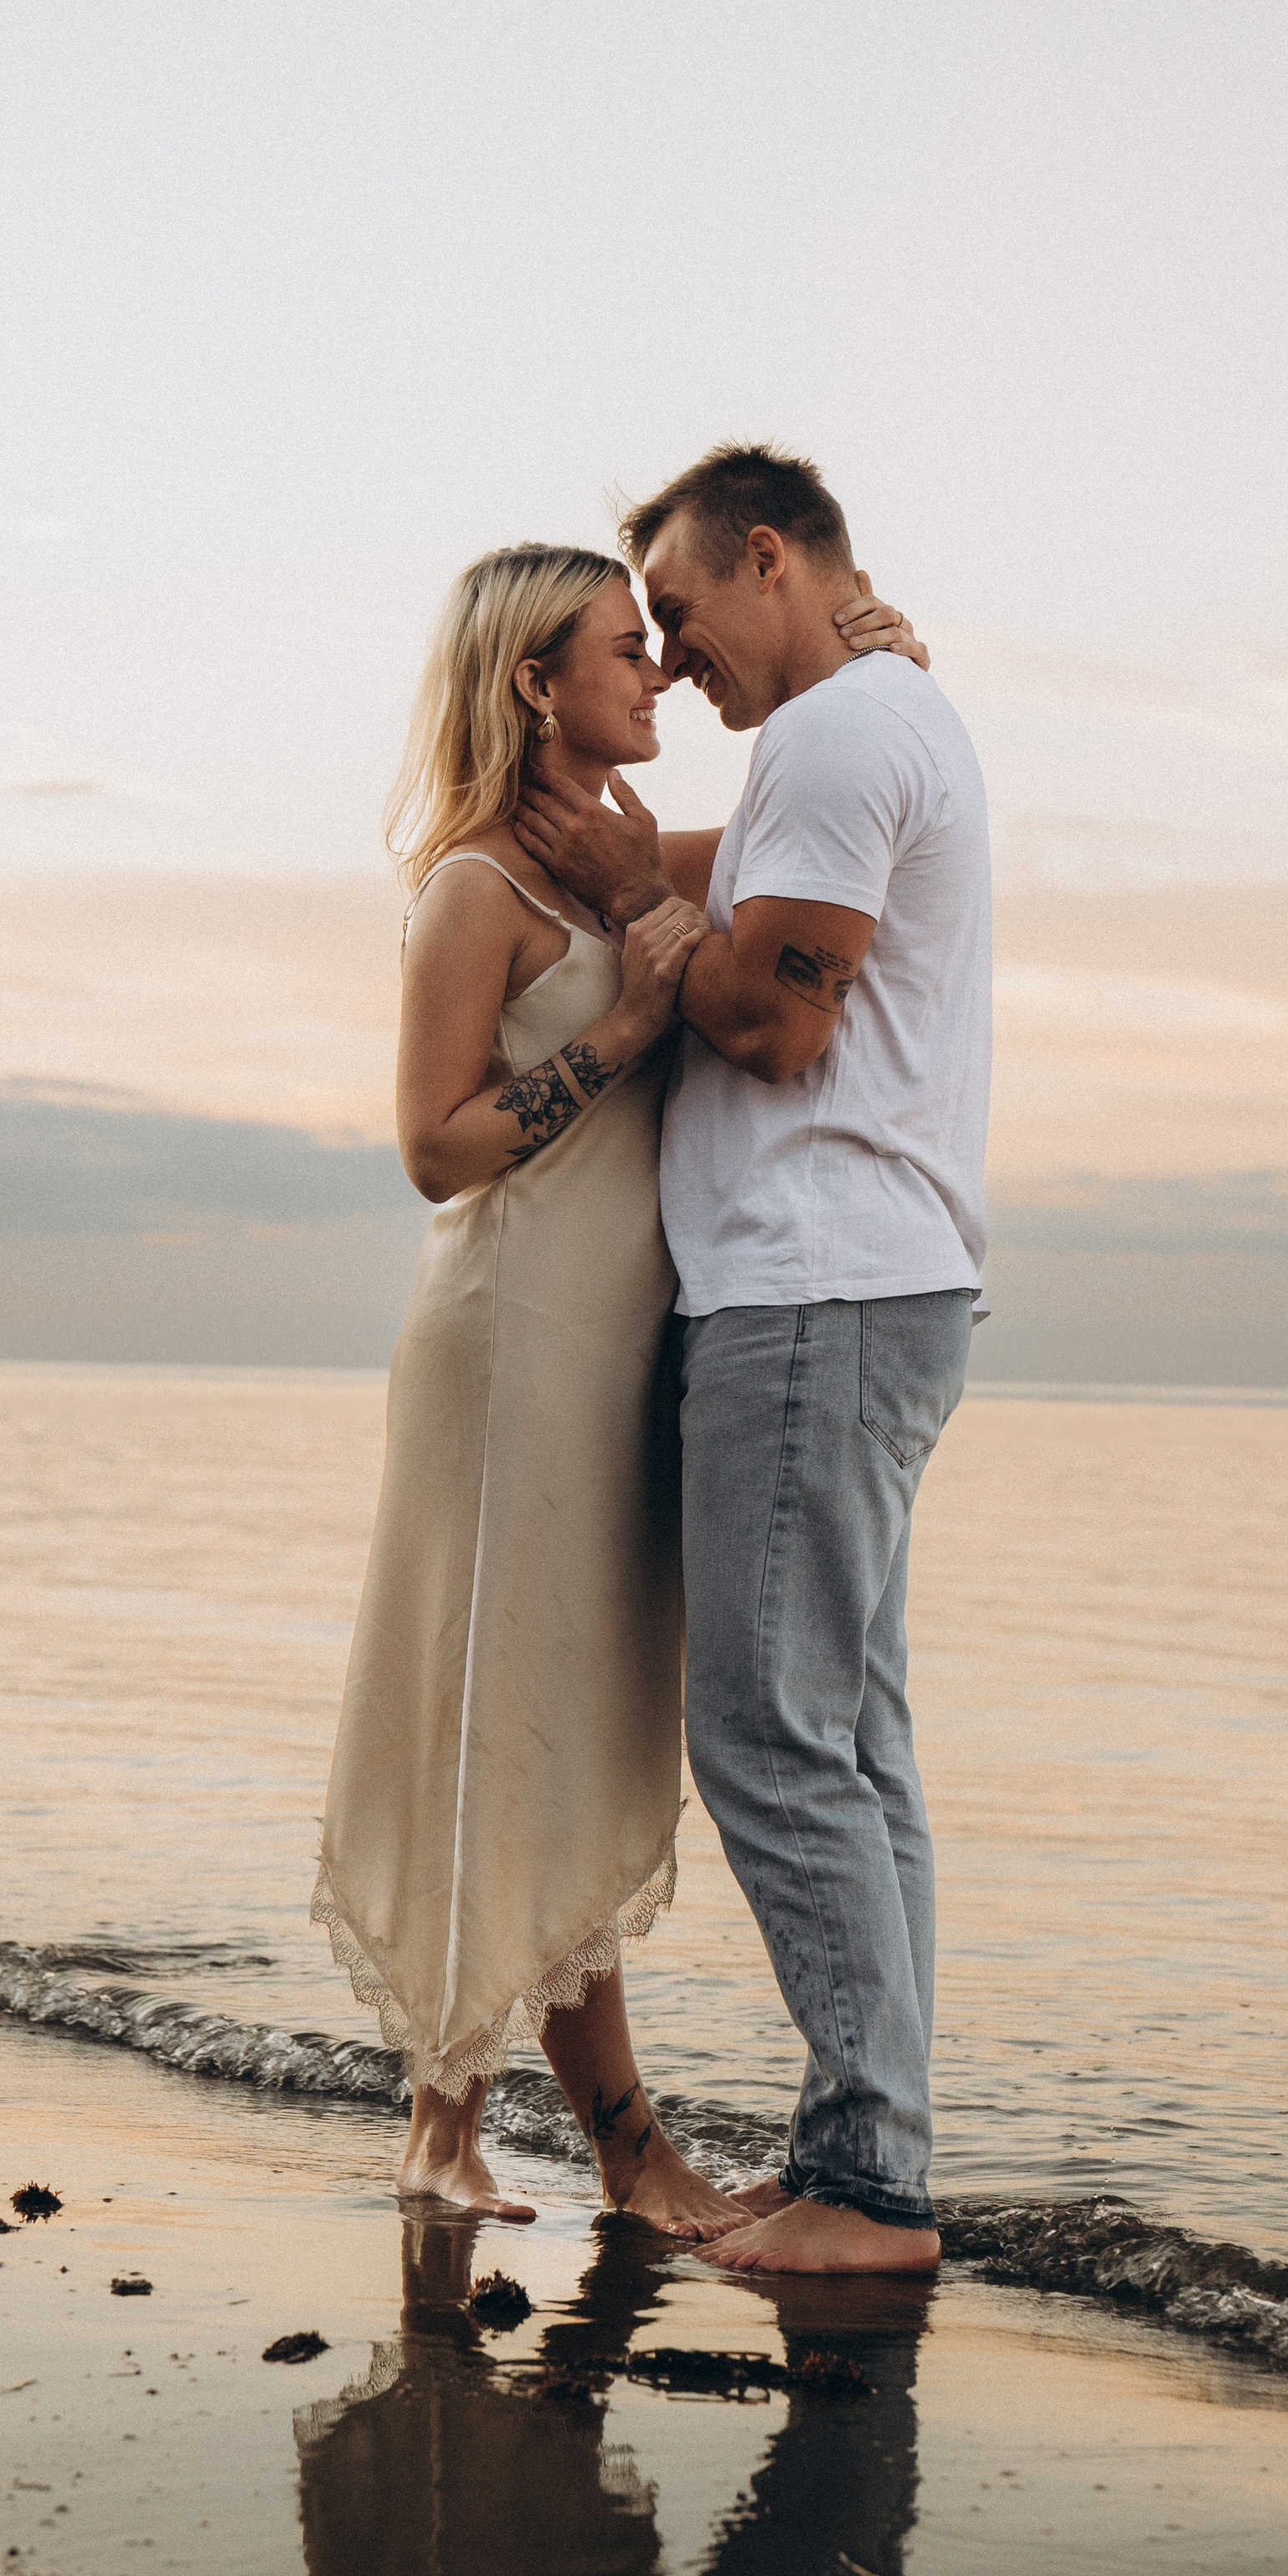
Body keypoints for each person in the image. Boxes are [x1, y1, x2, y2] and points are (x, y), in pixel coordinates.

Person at [312, 538, 918, 2232]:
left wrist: (884, 667)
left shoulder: (633, 869)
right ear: (534, 683)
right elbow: (434, 1150)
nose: (654, 672)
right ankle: (465, 2128)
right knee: (493, 1702)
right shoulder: (472, 891)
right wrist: (621, 1036)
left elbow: (818, 858)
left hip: (628, 1347)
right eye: (617, 648)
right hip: (506, 1344)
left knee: (577, 1724)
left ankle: (599, 2142)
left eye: (659, 645)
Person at [518, 445, 992, 2275]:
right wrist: (642, 863)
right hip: (867, 1287)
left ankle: (865, 2188)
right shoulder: (870, 721)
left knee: (772, 1741)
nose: (672, 655)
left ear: (770, 560)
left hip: (810, 1288)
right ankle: (868, 2161)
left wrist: (644, 909)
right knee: (851, 1747)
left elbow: (780, 1029)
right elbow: (766, 890)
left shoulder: (833, 737)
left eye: (683, 612)